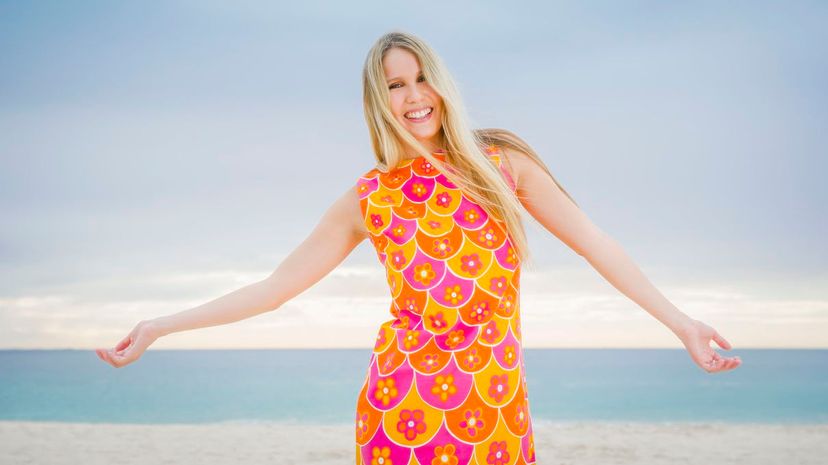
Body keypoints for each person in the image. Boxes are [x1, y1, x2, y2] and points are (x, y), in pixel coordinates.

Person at [96, 30, 741, 464]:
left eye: (421, 79)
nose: (413, 97)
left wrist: (682, 325)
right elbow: (273, 290)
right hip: (399, 406)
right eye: (395, 86)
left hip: (494, 405)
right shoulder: (369, 198)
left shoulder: (502, 166)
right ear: (379, 101)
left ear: (442, 84)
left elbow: (597, 244)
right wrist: (158, 326)